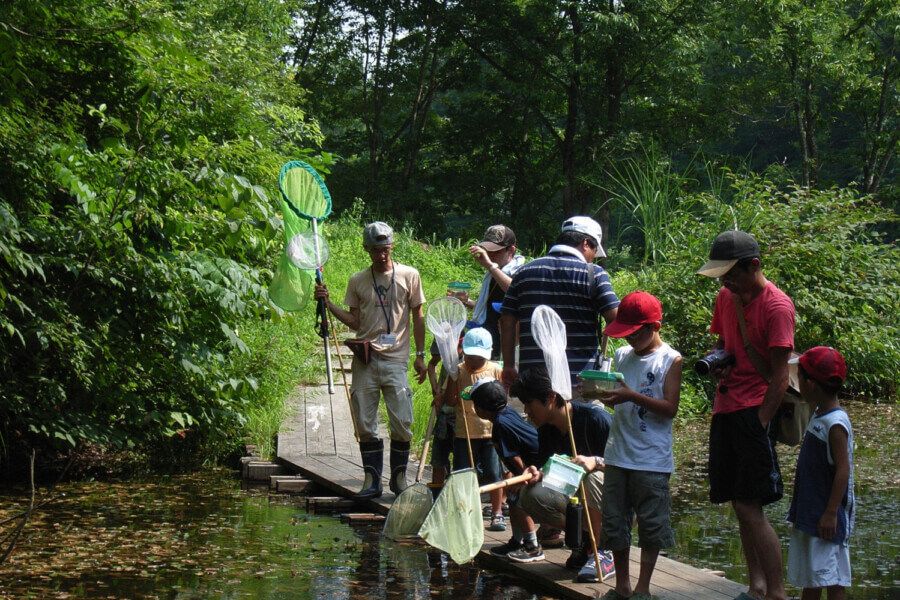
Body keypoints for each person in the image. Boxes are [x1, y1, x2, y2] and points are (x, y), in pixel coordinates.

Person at [697, 230, 795, 600]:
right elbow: (725, 343)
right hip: (726, 405)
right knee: (739, 503)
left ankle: (778, 592)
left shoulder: (777, 306)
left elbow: (781, 374)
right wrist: (720, 360)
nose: (726, 282)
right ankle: (756, 586)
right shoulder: (727, 297)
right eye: (722, 275)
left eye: (731, 274)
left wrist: (761, 422)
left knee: (750, 504)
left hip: (755, 410)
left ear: (753, 266)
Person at [315, 221, 427, 500]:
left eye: (386, 248)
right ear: (367, 249)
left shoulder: (409, 275)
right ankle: (371, 481)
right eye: (376, 249)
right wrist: (328, 304)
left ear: (392, 246)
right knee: (364, 423)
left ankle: (399, 480)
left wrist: (421, 355)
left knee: (402, 420)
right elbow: (354, 321)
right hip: (365, 359)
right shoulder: (358, 280)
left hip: (396, 359)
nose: (382, 254)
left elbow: (418, 316)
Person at [595, 291, 683, 600]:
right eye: (626, 333)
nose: (630, 339)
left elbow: (670, 408)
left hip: (651, 460)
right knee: (616, 521)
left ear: (654, 326)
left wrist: (631, 395)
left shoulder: (670, 359)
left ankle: (643, 588)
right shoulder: (621, 355)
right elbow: (614, 394)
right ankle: (622, 585)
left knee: (651, 524)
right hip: (618, 454)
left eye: (635, 332)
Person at [509, 366, 613, 583]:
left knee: (592, 478)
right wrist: (535, 473)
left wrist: (595, 461)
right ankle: (585, 540)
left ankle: (604, 550)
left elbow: (624, 465)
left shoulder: (596, 420)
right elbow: (545, 469)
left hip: (616, 505)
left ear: (550, 398)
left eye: (529, 404)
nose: (526, 411)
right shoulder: (546, 430)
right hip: (577, 501)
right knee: (530, 495)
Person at [500, 216, 618, 391]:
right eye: (594, 250)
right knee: (579, 419)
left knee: (536, 419)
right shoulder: (593, 274)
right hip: (579, 382)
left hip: (533, 381)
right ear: (586, 243)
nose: (593, 258)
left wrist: (509, 365)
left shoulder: (524, 273)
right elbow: (615, 318)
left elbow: (507, 320)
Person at [786, 347, 855, 600]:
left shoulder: (835, 423)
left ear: (811, 384)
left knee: (832, 578)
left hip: (825, 516)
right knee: (812, 576)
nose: (797, 381)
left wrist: (830, 513)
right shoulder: (820, 413)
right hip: (811, 510)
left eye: (800, 376)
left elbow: (843, 470)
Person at [470, 378, 544, 563]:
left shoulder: (500, 425)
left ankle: (532, 546)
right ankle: (516, 541)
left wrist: (520, 480)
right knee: (512, 501)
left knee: (517, 501)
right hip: (530, 464)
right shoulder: (507, 413)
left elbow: (515, 458)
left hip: (536, 467)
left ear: (482, 408)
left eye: (475, 405)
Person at [443, 328, 506, 531]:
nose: (474, 361)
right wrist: (453, 379)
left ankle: (497, 513)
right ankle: (465, 510)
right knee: (462, 473)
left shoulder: (495, 370)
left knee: (494, 473)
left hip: (489, 432)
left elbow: (503, 400)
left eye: (479, 357)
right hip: (464, 432)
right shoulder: (458, 371)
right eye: (470, 356)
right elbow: (451, 400)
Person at [464, 225, 526, 358]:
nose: (490, 255)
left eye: (496, 251)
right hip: (485, 344)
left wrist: (491, 267)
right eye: (487, 250)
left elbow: (516, 292)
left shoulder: (519, 272)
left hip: (504, 349)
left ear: (511, 250)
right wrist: (466, 301)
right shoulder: (493, 274)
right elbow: (489, 309)